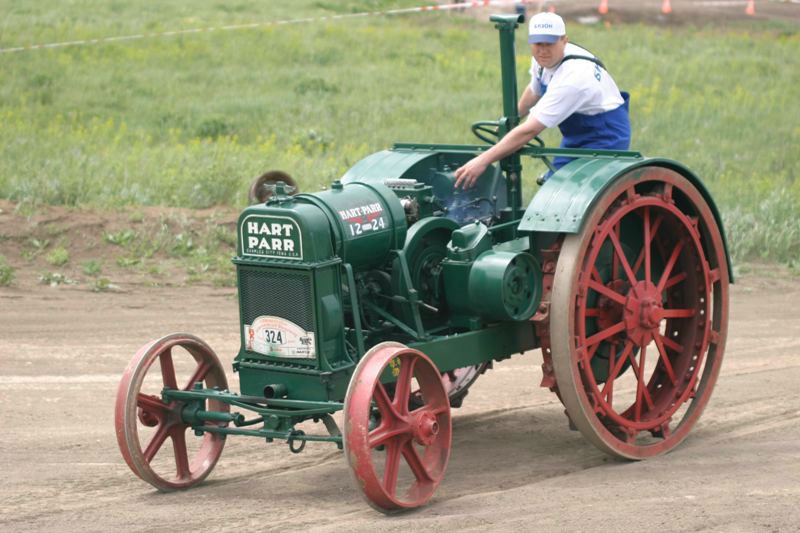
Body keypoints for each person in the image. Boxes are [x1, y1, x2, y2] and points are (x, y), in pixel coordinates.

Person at [454, 12, 631, 189]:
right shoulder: (542, 60)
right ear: (531, 42)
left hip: (605, 135)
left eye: (550, 43)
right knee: (554, 184)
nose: (543, 50)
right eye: (538, 43)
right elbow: (535, 90)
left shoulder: (573, 79)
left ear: (564, 40)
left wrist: (482, 160)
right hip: (577, 132)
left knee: (574, 192)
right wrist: (511, 119)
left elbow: (530, 130)